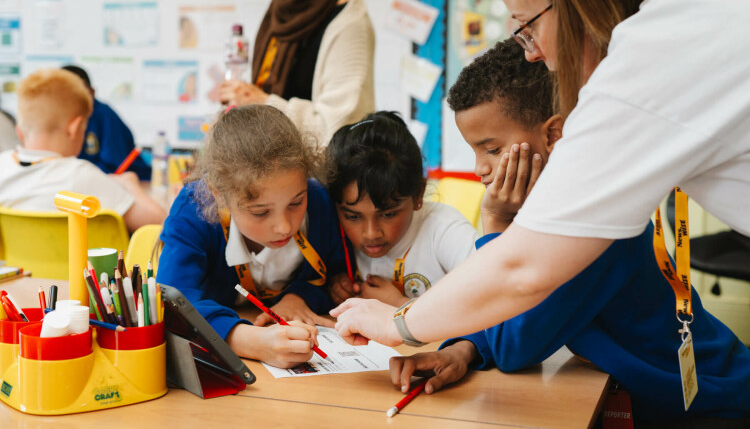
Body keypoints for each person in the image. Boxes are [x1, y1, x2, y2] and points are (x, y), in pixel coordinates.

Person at [332, 0, 749, 342]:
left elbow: (521, 276)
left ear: (577, 0)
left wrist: (397, 324)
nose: (531, 52)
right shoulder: (703, 0)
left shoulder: (645, 62)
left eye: (528, 26)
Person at [388, 39, 750, 425]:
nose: (480, 168)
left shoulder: (591, 223)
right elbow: (507, 310)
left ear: (554, 134)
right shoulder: (555, 209)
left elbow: (515, 348)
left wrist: (494, 223)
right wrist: (463, 351)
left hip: (716, 406)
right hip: (663, 401)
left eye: (491, 149)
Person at [156, 105, 347, 368]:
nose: (284, 226)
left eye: (295, 203)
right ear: (219, 194)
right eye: (260, 212)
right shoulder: (194, 210)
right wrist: (249, 341)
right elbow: (172, 302)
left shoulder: (317, 201)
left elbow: (336, 279)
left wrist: (299, 298)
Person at [219, 0, 375, 145]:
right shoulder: (289, 6)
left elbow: (338, 133)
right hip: (277, 172)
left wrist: (263, 104)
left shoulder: (349, 25)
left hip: (317, 178)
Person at [326, 112, 478, 307]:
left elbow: (494, 297)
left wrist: (399, 305)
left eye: (388, 214)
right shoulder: (333, 232)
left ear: (418, 195)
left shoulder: (444, 229)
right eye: (353, 217)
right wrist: (337, 286)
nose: (371, 233)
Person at [0, 69, 166, 233]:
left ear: (19, 131)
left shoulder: (3, 166)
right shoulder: (80, 175)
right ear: (75, 128)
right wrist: (131, 185)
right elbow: (160, 223)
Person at [61, 65, 151, 181]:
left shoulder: (104, 115)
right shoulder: (60, 117)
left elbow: (113, 167)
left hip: (134, 183)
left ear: (91, 93)